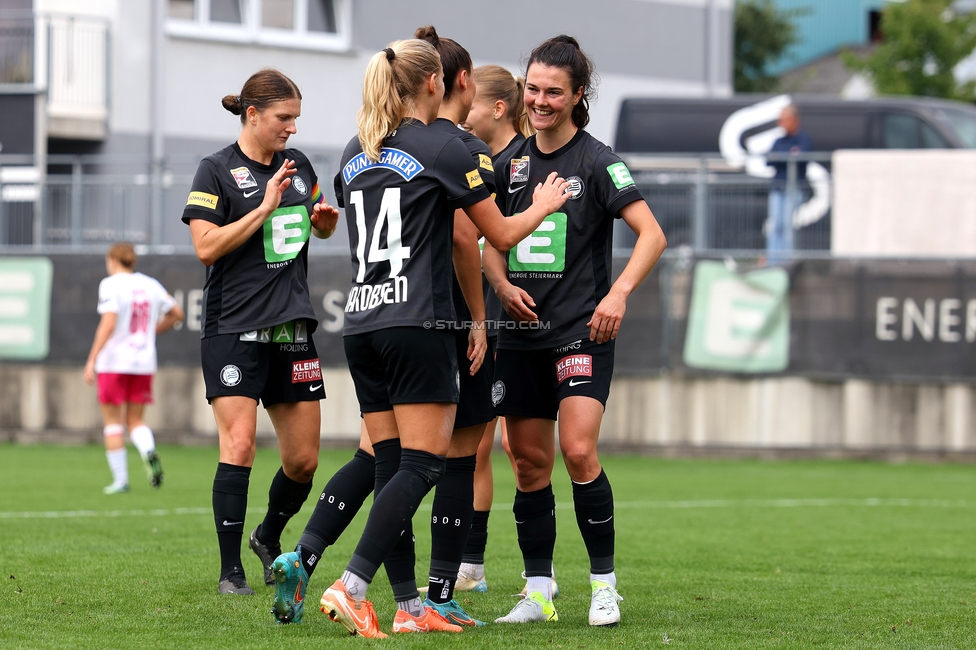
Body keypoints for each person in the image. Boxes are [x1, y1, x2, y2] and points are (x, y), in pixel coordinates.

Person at [315, 38, 570, 638]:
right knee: (426, 465)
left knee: (389, 464)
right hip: (418, 322)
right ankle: (351, 585)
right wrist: (546, 202)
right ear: (437, 83)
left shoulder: (358, 149)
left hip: (361, 321)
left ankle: (407, 606)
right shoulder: (448, 147)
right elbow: (498, 236)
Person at [483, 35, 667, 628]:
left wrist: (617, 294)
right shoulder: (508, 163)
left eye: (553, 91)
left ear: (577, 94)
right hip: (521, 338)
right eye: (532, 88)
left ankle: (604, 586)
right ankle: (538, 590)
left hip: (580, 334)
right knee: (529, 465)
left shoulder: (598, 160)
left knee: (579, 449)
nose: (539, 100)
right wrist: (504, 287)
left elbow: (653, 235)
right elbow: (486, 240)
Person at [180, 68, 340, 596]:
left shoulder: (301, 167)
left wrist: (323, 221)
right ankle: (230, 573)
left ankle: (267, 535)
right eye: (283, 118)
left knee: (303, 460)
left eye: (296, 118)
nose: (292, 128)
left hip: (292, 328)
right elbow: (205, 247)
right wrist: (264, 208)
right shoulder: (216, 170)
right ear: (252, 115)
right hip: (235, 327)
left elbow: (316, 219)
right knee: (241, 444)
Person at [457, 63, 537, 595]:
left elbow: (498, 240)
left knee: (490, 446)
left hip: (509, 322)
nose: (463, 118)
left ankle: (472, 564)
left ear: (499, 109)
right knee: (478, 445)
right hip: (483, 316)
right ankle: (471, 564)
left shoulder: (518, 166)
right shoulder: (479, 161)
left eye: (471, 107)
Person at [84, 242, 184, 494]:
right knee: (136, 420)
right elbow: (177, 313)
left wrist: (92, 358)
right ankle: (148, 451)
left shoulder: (110, 284)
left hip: (113, 362)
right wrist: (150, 333)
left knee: (112, 422)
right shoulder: (150, 284)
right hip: (143, 362)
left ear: (113, 259)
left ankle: (120, 481)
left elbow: (108, 323)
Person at [766, 104, 811, 264]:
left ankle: (785, 263)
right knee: (776, 226)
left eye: (784, 119)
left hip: (794, 189)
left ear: (794, 120)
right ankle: (773, 262)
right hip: (778, 188)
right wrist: (788, 156)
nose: (781, 123)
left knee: (787, 227)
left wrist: (782, 157)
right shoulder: (779, 140)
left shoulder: (803, 139)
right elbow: (769, 159)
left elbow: (801, 158)